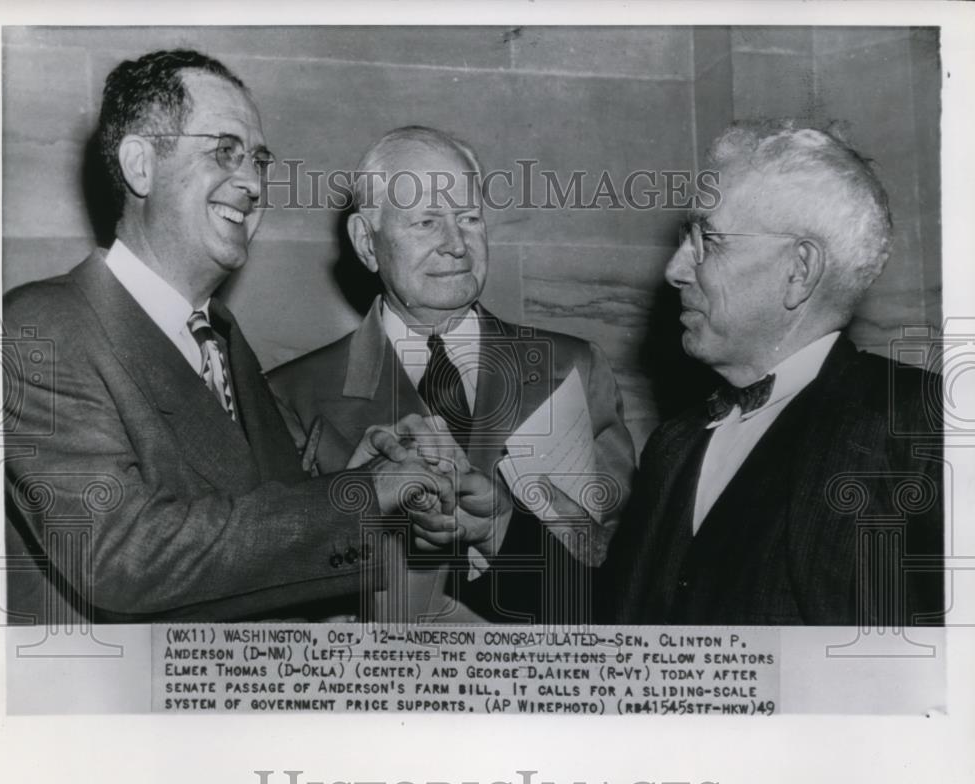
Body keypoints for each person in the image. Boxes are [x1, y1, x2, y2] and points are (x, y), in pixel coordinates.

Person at [3, 51, 463, 624]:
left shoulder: (219, 334)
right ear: (140, 165)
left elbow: (254, 529)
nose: (251, 182)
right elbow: (121, 556)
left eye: (259, 160)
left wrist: (356, 480)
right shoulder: (40, 326)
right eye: (224, 151)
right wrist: (364, 494)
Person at [269, 126, 635, 624]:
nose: (456, 244)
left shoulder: (571, 366)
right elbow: (276, 582)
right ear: (366, 243)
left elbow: (629, 565)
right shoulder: (292, 394)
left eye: (469, 218)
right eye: (425, 222)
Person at [601, 124, 943, 626]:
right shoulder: (676, 444)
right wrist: (499, 525)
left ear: (799, 269)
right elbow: (610, 631)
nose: (674, 270)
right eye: (683, 240)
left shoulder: (918, 425)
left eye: (708, 241)